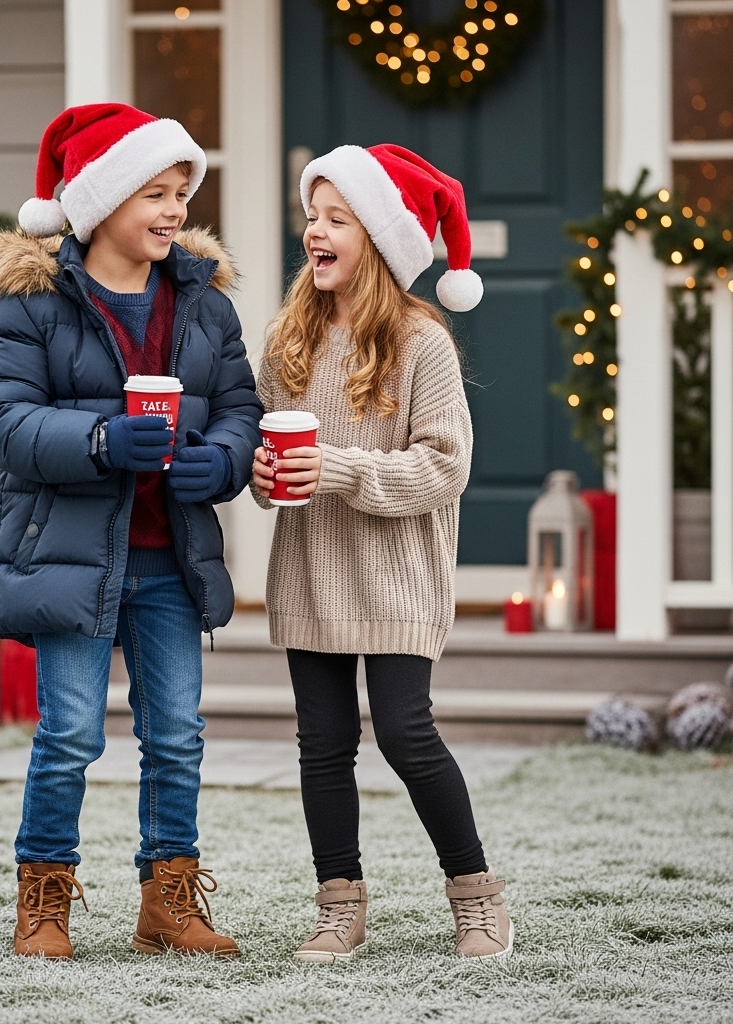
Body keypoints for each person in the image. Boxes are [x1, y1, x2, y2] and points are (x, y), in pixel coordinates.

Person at [0, 104, 262, 960]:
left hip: (169, 555)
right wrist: (98, 441)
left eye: (182, 192)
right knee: (70, 734)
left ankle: (166, 902)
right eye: (155, 194)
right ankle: (44, 901)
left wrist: (224, 462)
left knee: (177, 735)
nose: (175, 210)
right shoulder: (33, 306)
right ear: (100, 204)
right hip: (69, 557)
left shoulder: (204, 306)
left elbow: (240, 409)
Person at [251, 144, 513, 963]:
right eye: (311, 217)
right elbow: (267, 467)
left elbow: (444, 466)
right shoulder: (286, 338)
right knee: (322, 744)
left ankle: (477, 898)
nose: (314, 233)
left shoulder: (422, 343)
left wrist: (337, 466)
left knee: (406, 734)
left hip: (398, 577)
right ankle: (340, 907)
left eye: (337, 219)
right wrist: (263, 475)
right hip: (309, 574)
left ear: (381, 240)